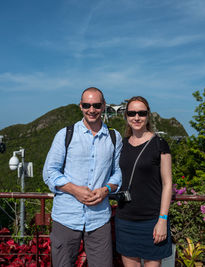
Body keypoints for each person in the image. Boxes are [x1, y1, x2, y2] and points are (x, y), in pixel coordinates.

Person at [43, 87, 122, 267]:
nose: (91, 110)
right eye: (87, 105)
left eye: (96, 105)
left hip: (99, 218)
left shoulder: (113, 137)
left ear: (103, 106)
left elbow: (118, 173)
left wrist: (105, 190)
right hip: (66, 216)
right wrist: (74, 190)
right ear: (80, 106)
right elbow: (49, 171)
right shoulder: (65, 134)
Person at [115, 96, 173, 267]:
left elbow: (168, 183)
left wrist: (162, 219)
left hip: (152, 221)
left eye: (141, 113)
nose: (137, 117)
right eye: (132, 113)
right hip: (125, 220)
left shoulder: (160, 144)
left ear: (148, 116)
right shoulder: (121, 145)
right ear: (126, 116)